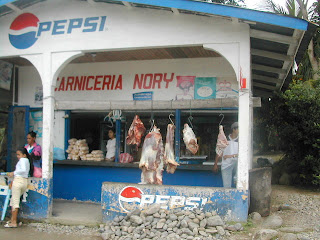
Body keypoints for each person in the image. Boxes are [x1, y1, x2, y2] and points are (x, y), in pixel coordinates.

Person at [4, 147, 33, 228]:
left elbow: (22, 170)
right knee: (14, 201)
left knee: (15, 202)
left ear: (24, 155)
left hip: (19, 181)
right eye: (17, 154)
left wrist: (13, 172)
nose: (17, 156)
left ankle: (13, 222)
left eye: (19, 154)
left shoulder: (23, 160)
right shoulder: (27, 161)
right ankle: (12, 220)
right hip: (24, 182)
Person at [213, 122, 239, 188]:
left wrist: (231, 156)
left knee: (238, 182)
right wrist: (215, 164)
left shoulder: (241, 139)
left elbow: (243, 153)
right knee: (226, 186)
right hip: (226, 164)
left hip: (237, 163)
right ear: (234, 130)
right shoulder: (225, 139)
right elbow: (219, 151)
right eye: (238, 129)